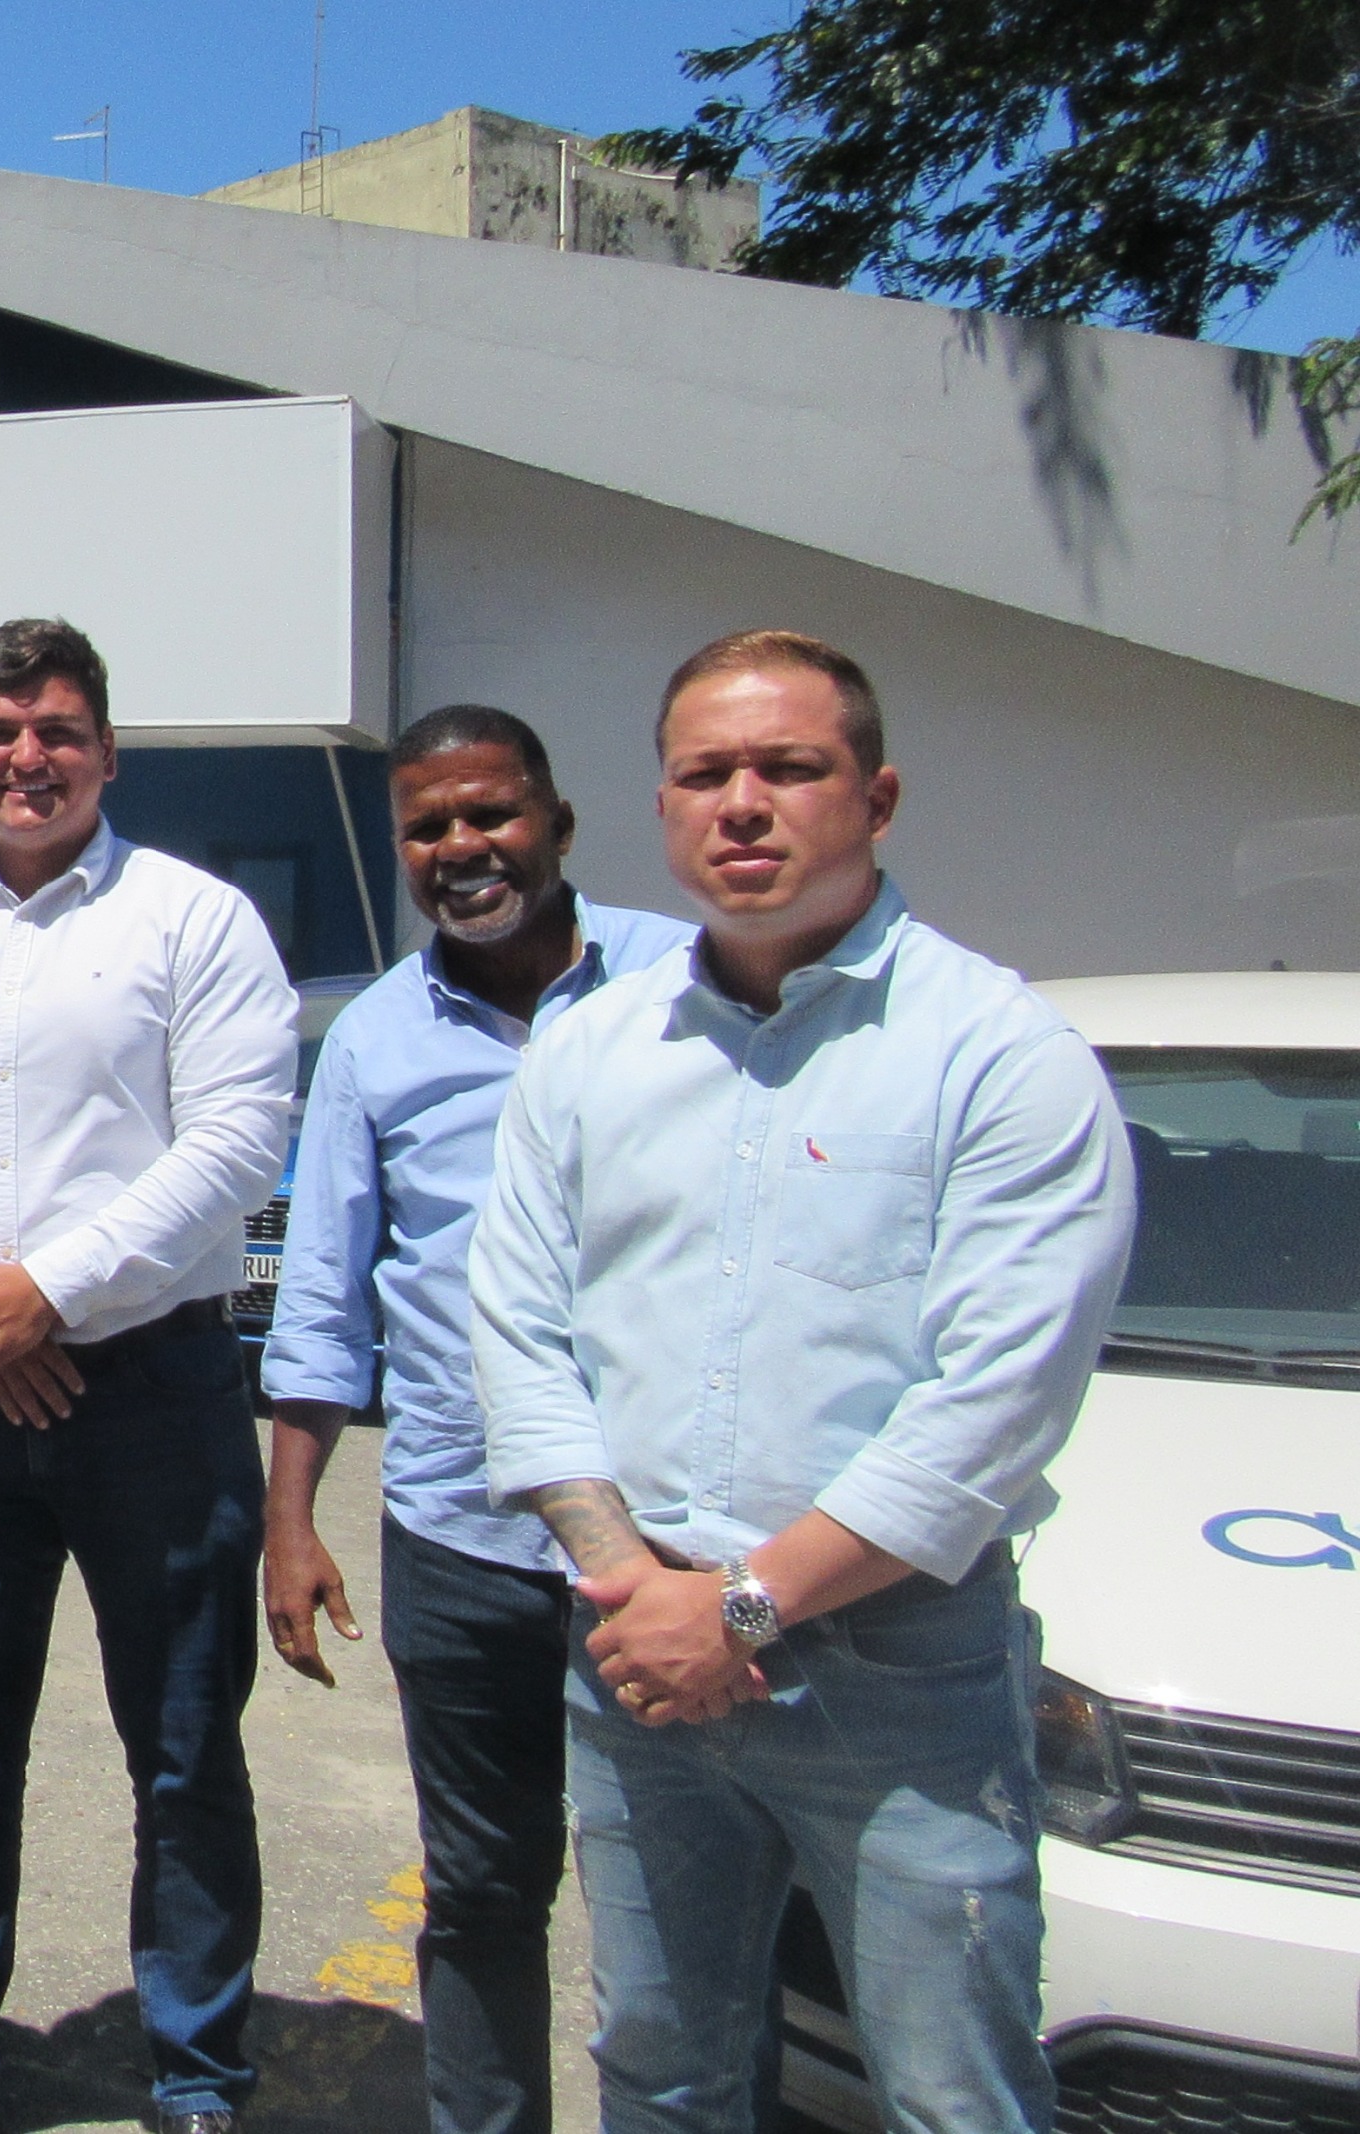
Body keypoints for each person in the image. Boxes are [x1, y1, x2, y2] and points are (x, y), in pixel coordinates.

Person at [472, 631, 1132, 2134]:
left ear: (876, 797)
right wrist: (638, 1586)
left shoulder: (997, 1054)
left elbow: (990, 1405)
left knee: (953, 2091)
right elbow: (516, 1326)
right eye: (705, 772)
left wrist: (743, 1607)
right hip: (632, 1646)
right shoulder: (590, 1048)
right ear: (661, 806)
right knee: (660, 2071)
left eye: (789, 767)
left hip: (895, 1671)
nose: (743, 802)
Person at [0, 619, 298, 2134]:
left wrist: (54, 1291)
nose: (28, 756)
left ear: (107, 751)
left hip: (153, 1390)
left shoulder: (195, 919)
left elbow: (238, 1142)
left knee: (184, 1745)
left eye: (59, 730)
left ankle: (197, 2071)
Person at [256, 707, 692, 2134]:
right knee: (484, 1888)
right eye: (426, 827)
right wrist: (290, 1520)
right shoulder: (375, 1038)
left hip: (676, 1543)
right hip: (462, 1536)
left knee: (680, 1899)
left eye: (490, 814)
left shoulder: (684, 983)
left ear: (557, 821)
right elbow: (324, 1294)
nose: (462, 847)